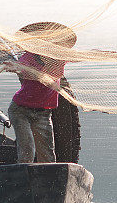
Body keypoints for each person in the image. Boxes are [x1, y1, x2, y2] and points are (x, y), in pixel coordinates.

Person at [6, 23, 76, 164]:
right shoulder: (28, 58)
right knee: (27, 151)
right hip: (20, 111)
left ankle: (47, 182)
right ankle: (24, 180)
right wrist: (14, 67)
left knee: (48, 156)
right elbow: (19, 67)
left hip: (43, 114)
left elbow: (83, 55)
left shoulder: (59, 58)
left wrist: (105, 55)